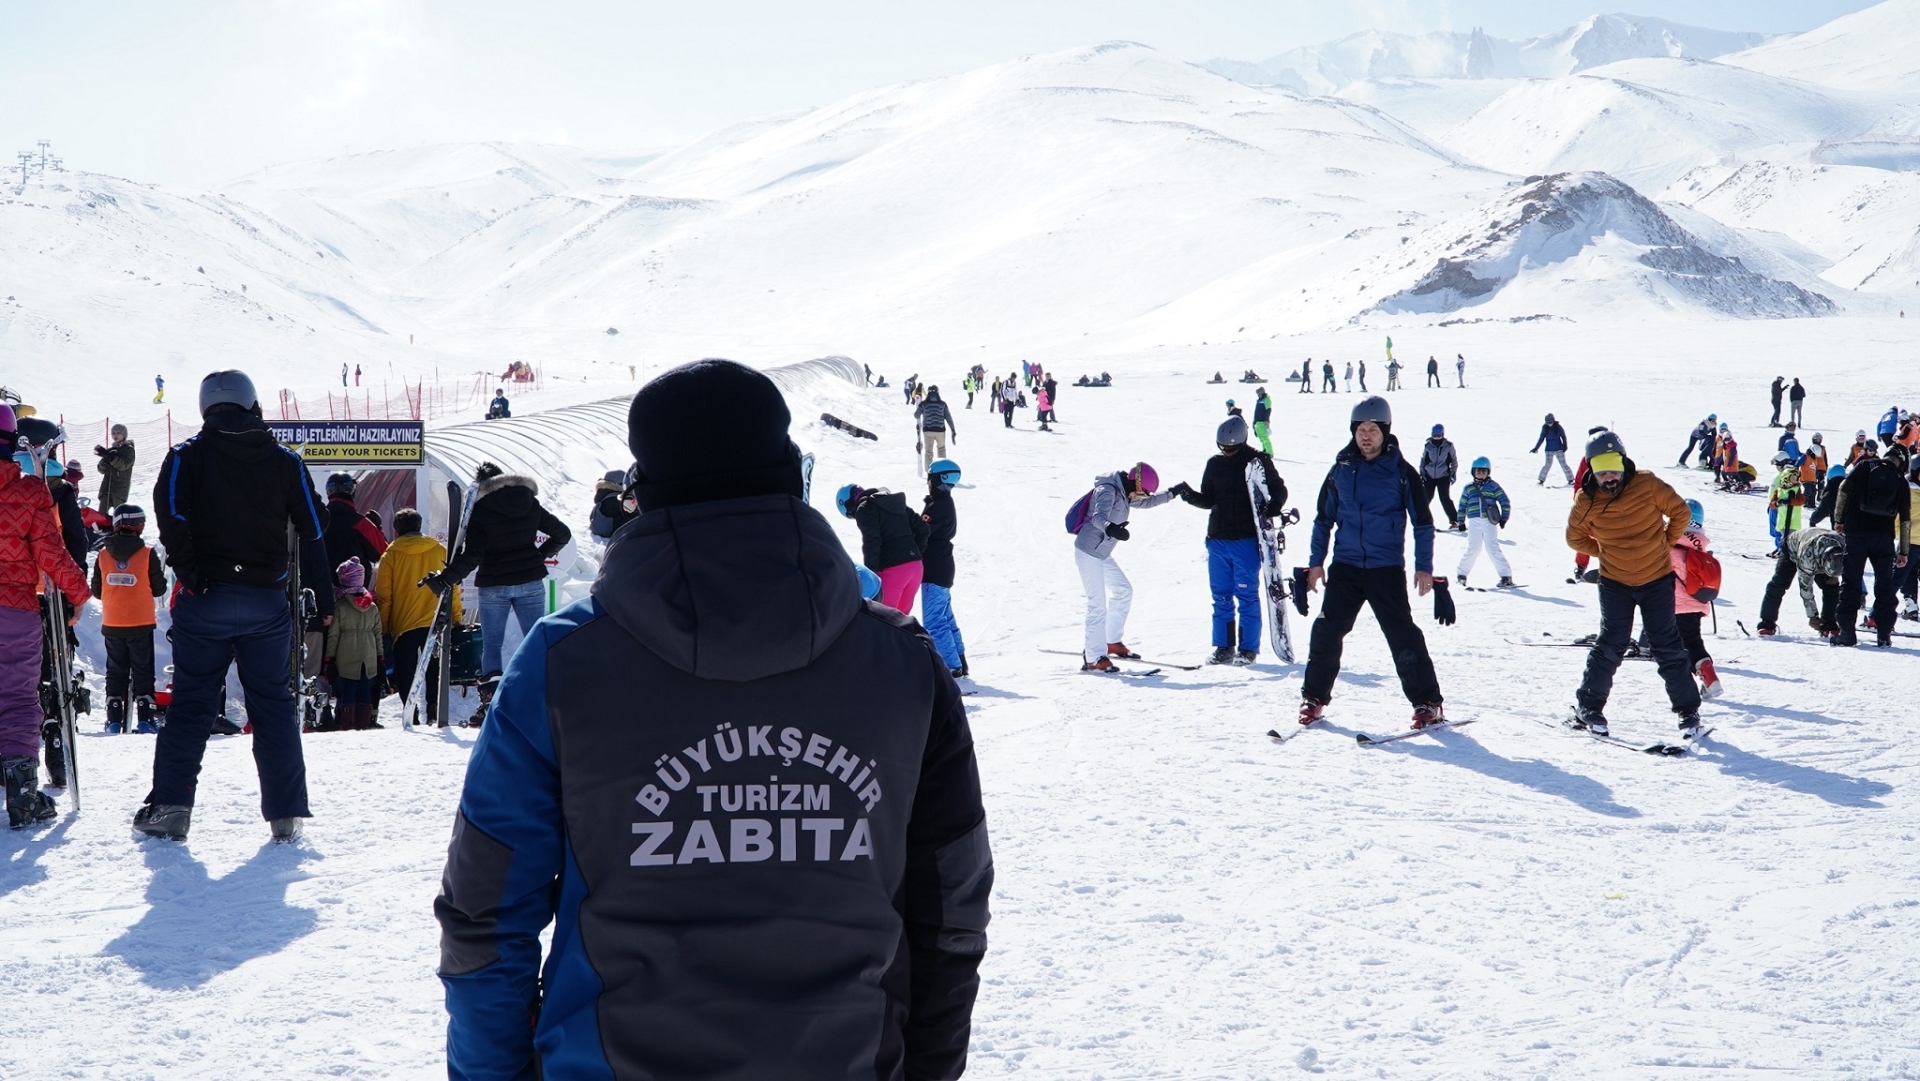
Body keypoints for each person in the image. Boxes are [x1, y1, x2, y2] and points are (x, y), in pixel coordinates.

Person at [434, 358, 990, 1080]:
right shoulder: (902, 661)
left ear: (643, 495)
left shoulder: (562, 663)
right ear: (792, 476)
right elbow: (950, 910)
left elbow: (486, 914)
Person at [138, 370, 332, 842]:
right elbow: (314, 524)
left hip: (206, 600)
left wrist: (191, 572)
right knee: (272, 705)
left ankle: (171, 809)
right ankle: (285, 816)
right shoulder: (284, 460)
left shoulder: (187, 456)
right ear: (252, 404)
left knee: (191, 705)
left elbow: (169, 512)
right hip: (267, 603)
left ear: (207, 407)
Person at [1298, 396, 1446, 728]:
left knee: (1402, 635)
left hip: (1385, 568)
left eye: (1372, 430)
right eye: (1360, 429)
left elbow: (1422, 522)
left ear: (1385, 431)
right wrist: (1316, 562)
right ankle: (1314, 698)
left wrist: (1424, 567)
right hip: (1346, 567)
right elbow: (1323, 520)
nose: (1366, 436)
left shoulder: (1403, 473)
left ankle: (1427, 702)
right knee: (1326, 630)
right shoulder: (1341, 470)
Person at [1563, 430, 1702, 738]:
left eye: (1613, 467)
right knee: (1611, 644)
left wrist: (1665, 541)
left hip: (1656, 580)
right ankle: (1590, 706)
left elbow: (1680, 511)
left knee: (1666, 644)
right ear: (1591, 469)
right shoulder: (1586, 500)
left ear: (1623, 462)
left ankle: (1688, 710)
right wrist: (1603, 551)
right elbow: (1574, 537)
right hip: (1615, 583)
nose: (1609, 476)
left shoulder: (1647, 483)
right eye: (1601, 470)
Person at [423, 463, 571, 723]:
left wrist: (446, 579)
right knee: (536, 640)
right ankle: (545, 699)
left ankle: (491, 706)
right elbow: (562, 534)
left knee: (492, 645)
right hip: (530, 582)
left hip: (494, 584)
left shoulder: (480, 509)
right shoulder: (528, 501)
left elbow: (474, 554)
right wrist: (537, 556)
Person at [1, 405, 91, 830]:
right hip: (15, 609)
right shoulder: (31, 493)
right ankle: (22, 793)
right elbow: (52, 554)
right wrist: (78, 595)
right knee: (19, 697)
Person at [1175, 416, 1285, 665]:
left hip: (1246, 539)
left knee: (1246, 595)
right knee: (1221, 596)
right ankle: (1224, 647)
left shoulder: (1257, 461)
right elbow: (1208, 499)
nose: (1226, 451)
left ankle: (1248, 649)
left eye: (1231, 448)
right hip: (1217, 539)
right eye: (1222, 447)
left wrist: (1274, 506)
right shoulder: (1214, 464)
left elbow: (1279, 489)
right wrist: (1189, 494)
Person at [1072, 463, 1175, 671]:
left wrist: (1173, 493)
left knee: (1123, 590)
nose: (1143, 496)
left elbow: (1147, 503)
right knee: (1097, 604)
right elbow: (1098, 516)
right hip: (1088, 551)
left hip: (1101, 552)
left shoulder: (1126, 492)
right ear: (1136, 483)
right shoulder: (1108, 490)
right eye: (1143, 492)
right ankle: (1093, 657)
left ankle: (1111, 641)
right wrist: (1111, 528)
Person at [377, 507, 463, 726]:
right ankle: (433, 711)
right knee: (434, 667)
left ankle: (411, 714)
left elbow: (384, 596)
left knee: (406, 671)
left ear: (396, 530)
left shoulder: (390, 554)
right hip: (435, 619)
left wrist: (384, 627)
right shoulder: (439, 550)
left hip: (403, 622)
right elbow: (452, 586)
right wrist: (456, 617)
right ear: (419, 525)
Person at [93, 504, 166, 734]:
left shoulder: (103, 554)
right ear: (139, 527)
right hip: (141, 623)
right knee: (143, 672)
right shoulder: (147, 553)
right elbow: (159, 589)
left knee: (116, 672)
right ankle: (145, 720)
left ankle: (114, 721)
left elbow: (96, 590)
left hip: (113, 623)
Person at [1833, 443, 1911, 647]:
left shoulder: (1864, 467)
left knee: (1851, 583)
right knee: (1884, 586)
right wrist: (1904, 551)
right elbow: (1905, 520)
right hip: (1884, 539)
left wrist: (1839, 519)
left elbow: (1843, 490)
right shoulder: (1901, 481)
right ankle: (1884, 635)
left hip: (1856, 534)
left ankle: (1847, 634)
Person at [837, 483, 929, 615]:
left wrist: (871, 575)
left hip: (893, 571)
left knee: (883, 620)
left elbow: (872, 542)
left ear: (848, 504)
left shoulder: (864, 508)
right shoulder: (893, 501)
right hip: (916, 568)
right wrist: (914, 554)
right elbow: (923, 529)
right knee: (901, 623)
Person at [322, 558, 384, 730]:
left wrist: (329, 658)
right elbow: (378, 632)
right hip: (369, 653)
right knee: (365, 688)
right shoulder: (371, 606)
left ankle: (346, 722)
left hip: (346, 653)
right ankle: (363, 722)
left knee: (348, 688)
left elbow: (333, 636)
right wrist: (380, 655)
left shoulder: (340, 606)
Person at [921, 458, 968, 677]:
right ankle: (959, 658)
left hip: (934, 568)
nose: (928, 482)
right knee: (946, 616)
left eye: (930, 478)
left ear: (938, 479)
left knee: (934, 620)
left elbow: (921, 532)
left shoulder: (938, 505)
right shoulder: (943, 502)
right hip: (943, 566)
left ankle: (951, 666)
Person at [1671, 500, 1721, 698]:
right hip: (1697, 602)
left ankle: (1695, 679)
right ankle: (1709, 676)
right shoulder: (1698, 547)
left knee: (1676, 644)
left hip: (1674, 605)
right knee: (1692, 640)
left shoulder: (1669, 548)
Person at [1757, 524, 1844, 638]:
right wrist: (1813, 617)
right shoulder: (1807, 557)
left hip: (1824, 551)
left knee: (1832, 588)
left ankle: (1829, 624)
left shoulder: (1843, 547)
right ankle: (1766, 624)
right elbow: (1805, 589)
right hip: (1792, 549)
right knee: (1778, 585)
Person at [1455, 457, 1512, 588]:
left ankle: (1506, 576)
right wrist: (1461, 521)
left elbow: (1504, 501)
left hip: (1489, 521)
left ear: (1488, 472)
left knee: (1492, 548)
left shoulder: (1493, 486)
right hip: (1474, 521)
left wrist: (1504, 517)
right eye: (1478, 471)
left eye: (1484, 471)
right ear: (1473, 472)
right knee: (1473, 548)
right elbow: (1462, 505)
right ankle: (1461, 575)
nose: (1481, 474)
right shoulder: (1469, 488)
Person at [322, 472, 388, 582]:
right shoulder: (362, 524)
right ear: (352, 492)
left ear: (328, 491)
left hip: (320, 590)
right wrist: (378, 528)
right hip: (355, 593)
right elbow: (384, 555)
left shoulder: (316, 521)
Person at [1419, 424, 1461, 531]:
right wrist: (1422, 473)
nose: (1436, 438)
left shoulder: (1448, 446)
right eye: (1434, 435)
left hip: (1443, 476)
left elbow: (1454, 461)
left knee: (1444, 498)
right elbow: (1423, 460)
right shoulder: (1428, 446)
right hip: (1429, 476)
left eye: (1438, 435)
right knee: (1426, 498)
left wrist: (1452, 474)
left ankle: (1454, 521)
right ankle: (1422, 520)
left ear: (1442, 434)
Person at [1766, 451, 1805, 555]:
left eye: (1777, 465)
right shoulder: (1783, 473)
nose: (1777, 467)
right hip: (1775, 505)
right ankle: (1779, 546)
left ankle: (1781, 548)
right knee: (1776, 527)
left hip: (1781, 507)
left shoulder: (1787, 474)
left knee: (1780, 526)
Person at [914, 386, 958, 472]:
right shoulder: (943, 404)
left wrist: (919, 406)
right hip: (940, 431)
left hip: (928, 431)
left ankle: (929, 472)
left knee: (928, 452)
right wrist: (953, 430)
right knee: (941, 449)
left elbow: (916, 415)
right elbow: (948, 418)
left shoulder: (924, 404)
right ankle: (942, 470)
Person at [93, 423, 135, 511]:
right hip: (106, 489)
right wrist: (105, 458)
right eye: (113, 433)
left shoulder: (129, 449)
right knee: (101, 516)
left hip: (119, 490)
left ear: (124, 435)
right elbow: (101, 470)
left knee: (118, 516)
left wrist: (111, 458)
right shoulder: (110, 450)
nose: (115, 435)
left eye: (118, 433)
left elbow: (124, 465)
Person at [1532, 413, 1572, 485]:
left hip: (1559, 449)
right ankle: (1541, 480)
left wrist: (1565, 445)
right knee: (1547, 465)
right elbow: (1541, 438)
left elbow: (1563, 436)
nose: (1549, 424)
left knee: (1563, 464)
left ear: (1553, 421)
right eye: (1548, 422)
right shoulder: (1545, 428)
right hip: (1549, 450)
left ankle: (1571, 479)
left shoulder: (1558, 427)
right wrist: (1536, 448)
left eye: (1550, 422)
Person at [1808, 462, 1848, 528]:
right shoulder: (1852, 489)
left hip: (1841, 531)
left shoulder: (1830, 494)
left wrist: (1813, 520)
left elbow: (1822, 511)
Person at [1799, 432, 1829, 510]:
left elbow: (1825, 458)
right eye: (1816, 439)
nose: (1817, 440)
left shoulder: (1822, 448)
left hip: (1820, 468)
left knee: (1820, 484)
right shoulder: (1810, 450)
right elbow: (1803, 461)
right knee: (1810, 487)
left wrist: (1826, 467)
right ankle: (1806, 501)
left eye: (1819, 439)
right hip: (1812, 469)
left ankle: (1818, 497)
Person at [1253, 387, 1273, 455]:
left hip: (1262, 421)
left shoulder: (1266, 399)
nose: (1258, 395)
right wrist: (1254, 421)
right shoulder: (1259, 400)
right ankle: (1265, 450)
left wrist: (1266, 419)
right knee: (1261, 437)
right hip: (1258, 421)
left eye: (1259, 394)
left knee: (1264, 437)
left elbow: (1268, 410)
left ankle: (1269, 452)